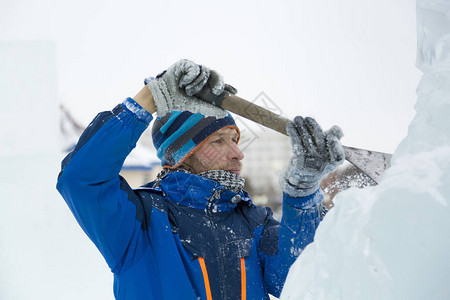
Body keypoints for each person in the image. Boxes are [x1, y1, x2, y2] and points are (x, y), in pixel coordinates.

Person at [57, 59, 345, 299]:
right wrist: (151, 96)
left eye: (235, 139)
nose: (237, 154)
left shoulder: (252, 222)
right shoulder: (140, 223)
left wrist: (302, 192)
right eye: (218, 141)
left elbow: (300, 279)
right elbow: (82, 179)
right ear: (180, 154)